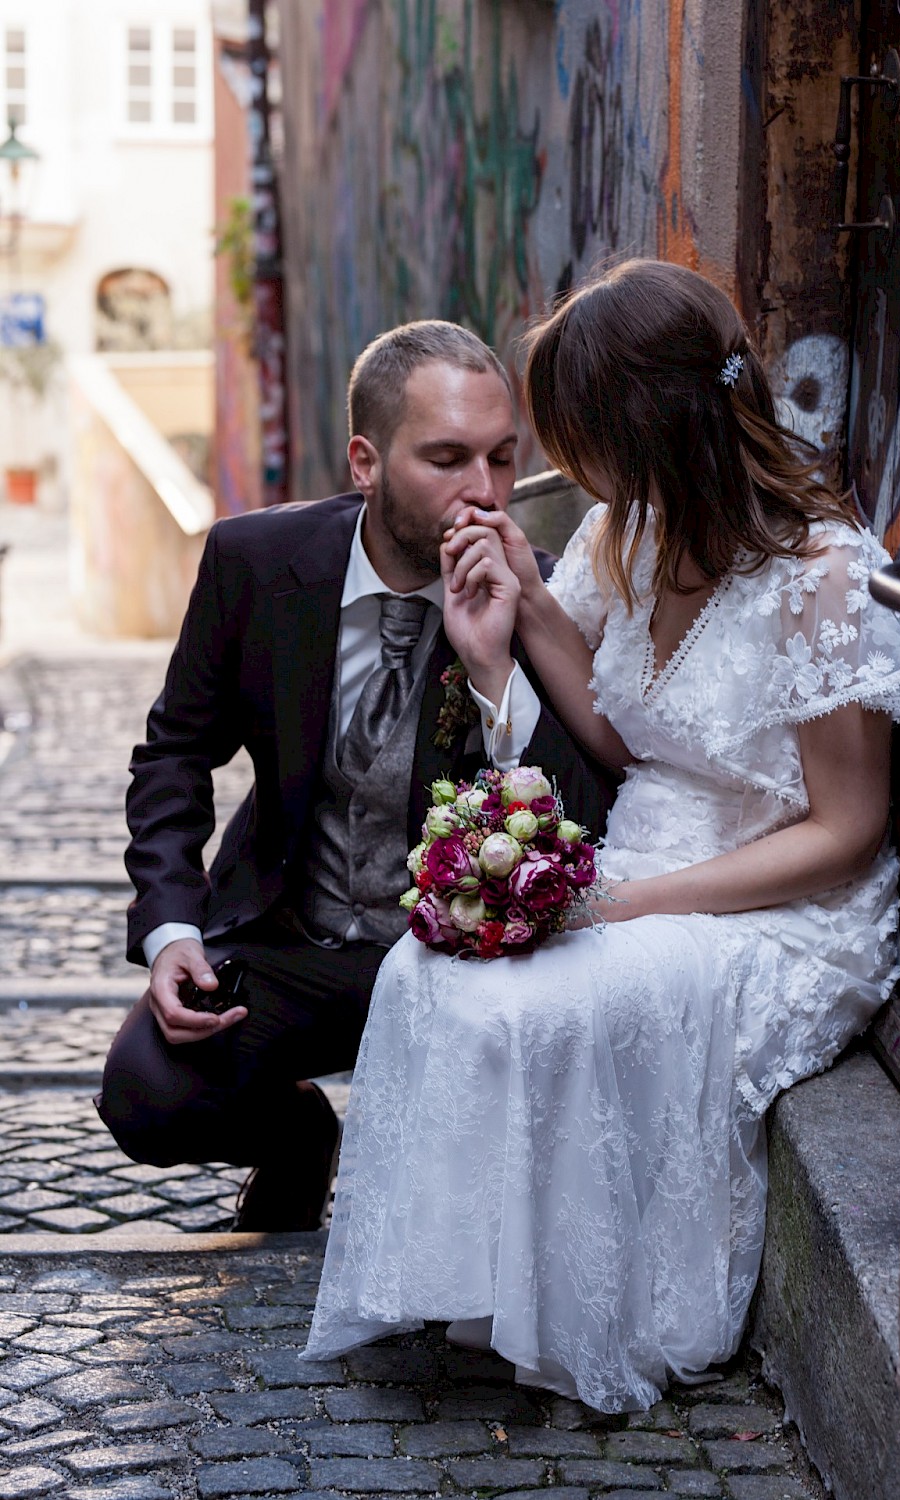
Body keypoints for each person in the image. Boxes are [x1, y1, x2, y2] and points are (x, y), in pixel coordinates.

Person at [302, 260, 900, 1411]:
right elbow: (629, 737)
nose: (567, 465)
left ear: (655, 427)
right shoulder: (619, 536)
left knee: (546, 999)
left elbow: (846, 832)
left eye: (586, 433)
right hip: (639, 856)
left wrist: (632, 903)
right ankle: (471, 1280)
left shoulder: (824, 576)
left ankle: (574, 1309)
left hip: (782, 906)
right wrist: (512, 628)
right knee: (428, 967)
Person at [95, 320, 616, 1232]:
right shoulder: (254, 564)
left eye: (501, 458)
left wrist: (495, 665)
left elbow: (582, 820)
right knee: (148, 1091)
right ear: (366, 462)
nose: (485, 494)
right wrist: (173, 929)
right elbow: (175, 755)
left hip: (451, 957)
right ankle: (299, 1135)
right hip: (291, 936)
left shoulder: (542, 590)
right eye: (447, 458)